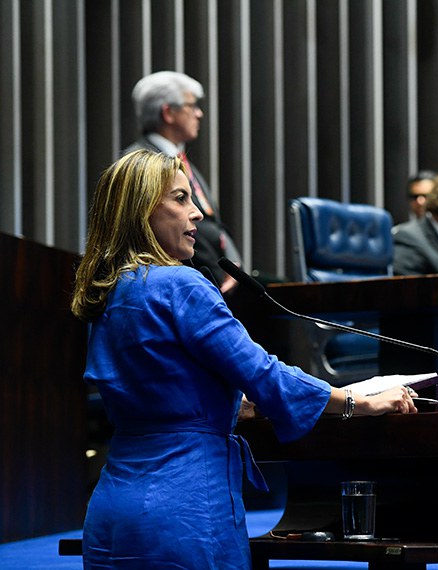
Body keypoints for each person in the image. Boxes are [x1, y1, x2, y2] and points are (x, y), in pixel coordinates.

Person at [71, 149, 417, 568]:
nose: (196, 213)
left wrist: (232, 406)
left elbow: (157, 390)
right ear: (141, 211)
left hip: (110, 512)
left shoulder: (111, 294)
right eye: (180, 199)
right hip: (186, 510)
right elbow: (264, 373)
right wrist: (358, 402)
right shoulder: (182, 284)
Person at [123, 71, 241, 295]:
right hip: (174, 287)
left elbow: (211, 220)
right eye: (191, 105)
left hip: (212, 281)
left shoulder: (181, 159)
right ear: (168, 112)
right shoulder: (139, 163)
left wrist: (231, 260)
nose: (199, 113)